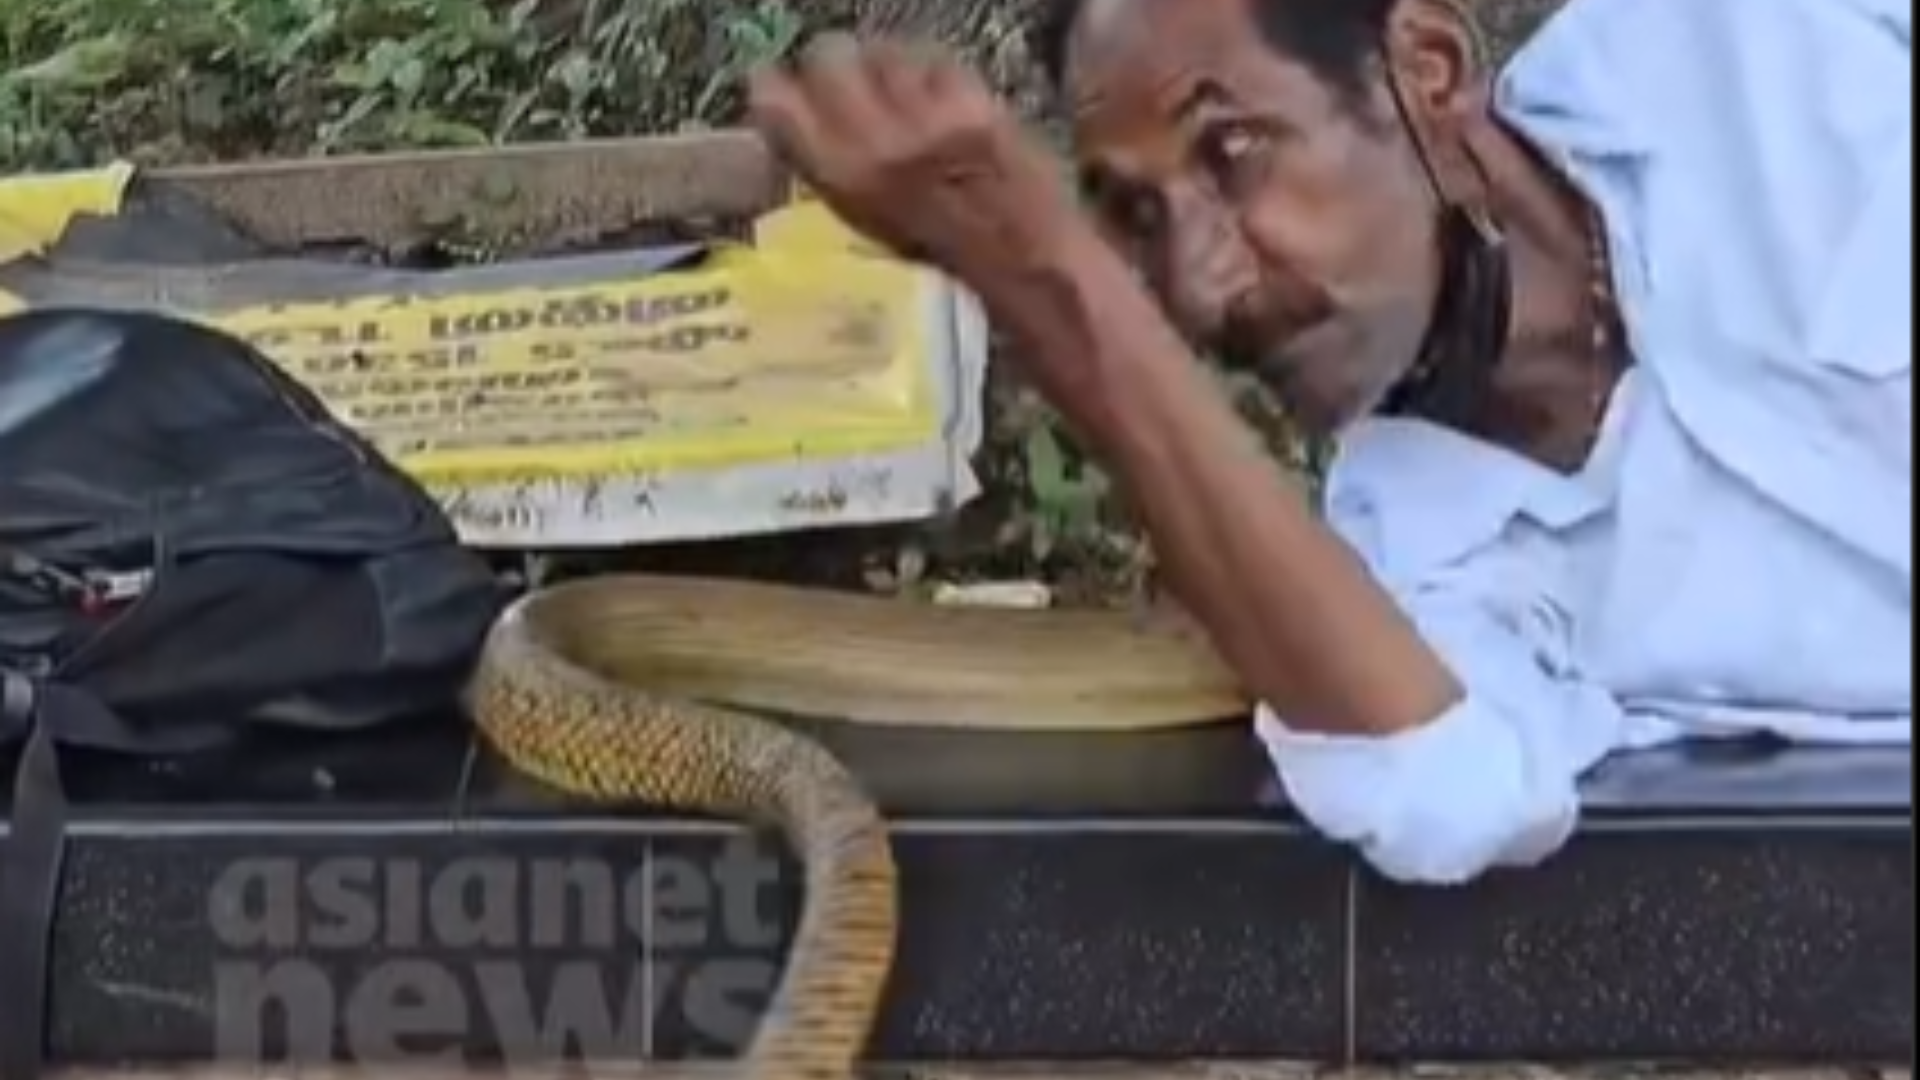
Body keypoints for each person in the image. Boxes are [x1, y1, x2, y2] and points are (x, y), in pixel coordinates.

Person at [742, 0, 1913, 884]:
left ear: (1427, 72)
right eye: (1139, 223)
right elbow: (1445, 796)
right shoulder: (1415, 571)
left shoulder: (1749, 45)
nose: (1203, 286)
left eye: (1233, 152)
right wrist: (1046, 292)